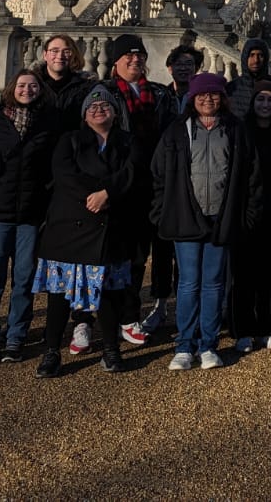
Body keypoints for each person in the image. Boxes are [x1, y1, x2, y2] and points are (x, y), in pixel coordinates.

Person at [150, 72, 261, 370]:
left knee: (213, 283)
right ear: (192, 98)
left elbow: (252, 176)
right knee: (187, 283)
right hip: (186, 215)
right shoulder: (177, 130)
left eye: (213, 94)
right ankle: (184, 344)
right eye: (202, 95)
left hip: (221, 217)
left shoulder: (236, 130)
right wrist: (160, 212)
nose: (208, 99)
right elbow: (158, 174)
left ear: (222, 98)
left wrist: (247, 215)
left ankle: (208, 345)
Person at [32, 86, 137, 378]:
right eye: (92, 108)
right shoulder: (71, 140)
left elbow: (133, 173)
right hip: (71, 223)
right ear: (84, 116)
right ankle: (51, 351)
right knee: (58, 297)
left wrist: (108, 194)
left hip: (109, 224)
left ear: (116, 113)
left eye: (105, 106)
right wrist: (94, 195)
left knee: (108, 294)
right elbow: (63, 174)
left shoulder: (128, 142)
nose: (99, 110)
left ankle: (111, 349)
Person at [0, 69, 62, 364]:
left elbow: (54, 168)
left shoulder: (48, 125)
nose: (27, 90)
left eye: (33, 86)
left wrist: (44, 195)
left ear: (40, 91)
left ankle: (16, 335)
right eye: (22, 85)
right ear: (12, 89)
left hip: (31, 214)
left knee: (24, 278)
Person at [101, 33, 178, 347]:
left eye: (140, 56)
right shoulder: (103, 93)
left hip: (152, 185)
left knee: (149, 254)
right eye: (128, 57)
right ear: (116, 62)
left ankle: (143, 311)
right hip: (120, 185)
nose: (135, 61)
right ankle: (116, 316)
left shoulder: (159, 94)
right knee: (119, 256)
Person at [232, 78, 271, 352]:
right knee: (245, 273)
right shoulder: (241, 131)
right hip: (248, 211)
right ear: (253, 102)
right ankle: (244, 329)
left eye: (270, 100)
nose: (265, 104)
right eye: (260, 99)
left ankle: (270, 327)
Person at [34, 34, 95, 125]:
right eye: (54, 51)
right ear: (45, 55)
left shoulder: (85, 87)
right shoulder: (32, 84)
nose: (60, 56)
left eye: (66, 51)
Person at [227, 37, 271, 121]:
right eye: (252, 55)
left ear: (266, 59)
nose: (256, 60)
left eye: (260, 55)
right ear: (245, 58)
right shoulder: (232, 88)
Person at [164, 45, 204, 111]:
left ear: (196, 68)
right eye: (178, 64)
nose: (183, 68)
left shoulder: (203, 97)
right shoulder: (161, 97)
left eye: (188, 64)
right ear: (170, 69)